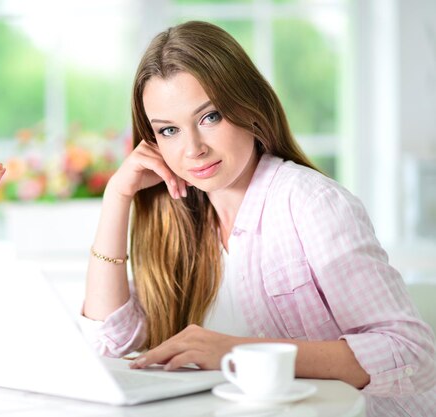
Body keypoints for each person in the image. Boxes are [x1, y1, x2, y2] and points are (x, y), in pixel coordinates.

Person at [79, 21, 436, 416]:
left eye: (209, 117)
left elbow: (411, 354)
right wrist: (117, 195)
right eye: (169, 130)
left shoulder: (312, 204)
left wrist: (238, 353)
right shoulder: (179, 223)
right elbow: (109, 342)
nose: (193, 149)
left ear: (248, 108)